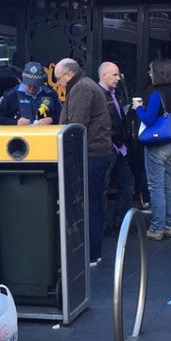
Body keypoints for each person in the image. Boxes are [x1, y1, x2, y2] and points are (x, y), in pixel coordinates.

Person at [56, 58, 114, 263]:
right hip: (96, 153)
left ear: (68, 74)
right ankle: (92, 252)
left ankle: (91, 254)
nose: (58, 84)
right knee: (94, 204)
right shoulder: (85, 85)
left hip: (91, 155)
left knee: (90, 206)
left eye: (58, 79)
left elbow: (76, 126)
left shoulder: (81, 88)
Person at [132, 58, 171, 241]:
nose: (149, 74)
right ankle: (170, 225)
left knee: (156, 187)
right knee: (167, 185)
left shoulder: (156, 93)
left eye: (151, 71)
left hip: (157, 145)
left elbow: (148, 119)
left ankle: (156, 227)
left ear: (158, 73)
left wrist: (138, 108)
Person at [98, 62, 134, 232]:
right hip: (108, 146)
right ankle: (103, 225)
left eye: (118, 75)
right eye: (114, 75)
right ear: (104, 75)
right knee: (103, 188)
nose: (118, 78)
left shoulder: (115, 94)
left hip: (119, 147)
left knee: (127, 184)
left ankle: (120, 223)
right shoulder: (97, 95)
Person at [0, 62, 61, 126]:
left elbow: (62, 115)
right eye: (29, 84)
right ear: (23, 78)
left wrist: (51, 120)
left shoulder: (50, 94)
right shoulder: (11, 95)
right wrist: (15, 122)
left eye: (35, 85)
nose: (32, 87)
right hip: (19, 138)